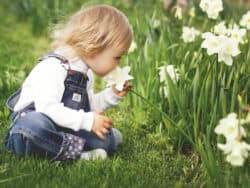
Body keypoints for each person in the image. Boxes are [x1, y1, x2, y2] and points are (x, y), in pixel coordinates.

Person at [4, 4, 133, 161]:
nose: (118, 64)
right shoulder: (54, 67)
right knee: (34, 126)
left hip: (62, 126)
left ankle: (65, 145)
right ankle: (78, 156)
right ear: (94, 47)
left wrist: (112, 95)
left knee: (105, 138)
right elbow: (47, 108)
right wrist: (87, 121)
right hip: (32, 124)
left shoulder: (86, 74)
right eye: (117, 57)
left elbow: (87, 106)